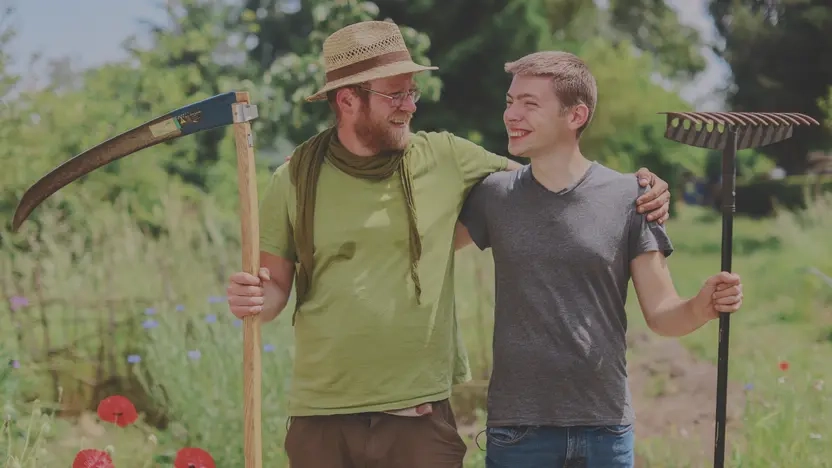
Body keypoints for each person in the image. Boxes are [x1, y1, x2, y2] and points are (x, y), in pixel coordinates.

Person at [225, 20, 672, 468]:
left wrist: (641, 186)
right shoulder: (295, 178)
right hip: (321, 415)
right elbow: (275, 289)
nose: (409, 106)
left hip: (417, 417)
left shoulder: (446, 158)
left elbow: (550, 178)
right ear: (347, 100)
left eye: (411, 92)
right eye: (395, 94)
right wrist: (255, 298)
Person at [456, 51, 745, 468]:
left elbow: (663, 314)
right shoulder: (495, 196)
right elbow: (428, 246)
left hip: (604, 430)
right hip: (519, 431)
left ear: (576, 115)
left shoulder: (631, 196)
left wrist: (704, 305)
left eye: (529, 104)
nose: (512, 114)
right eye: (510, 101)